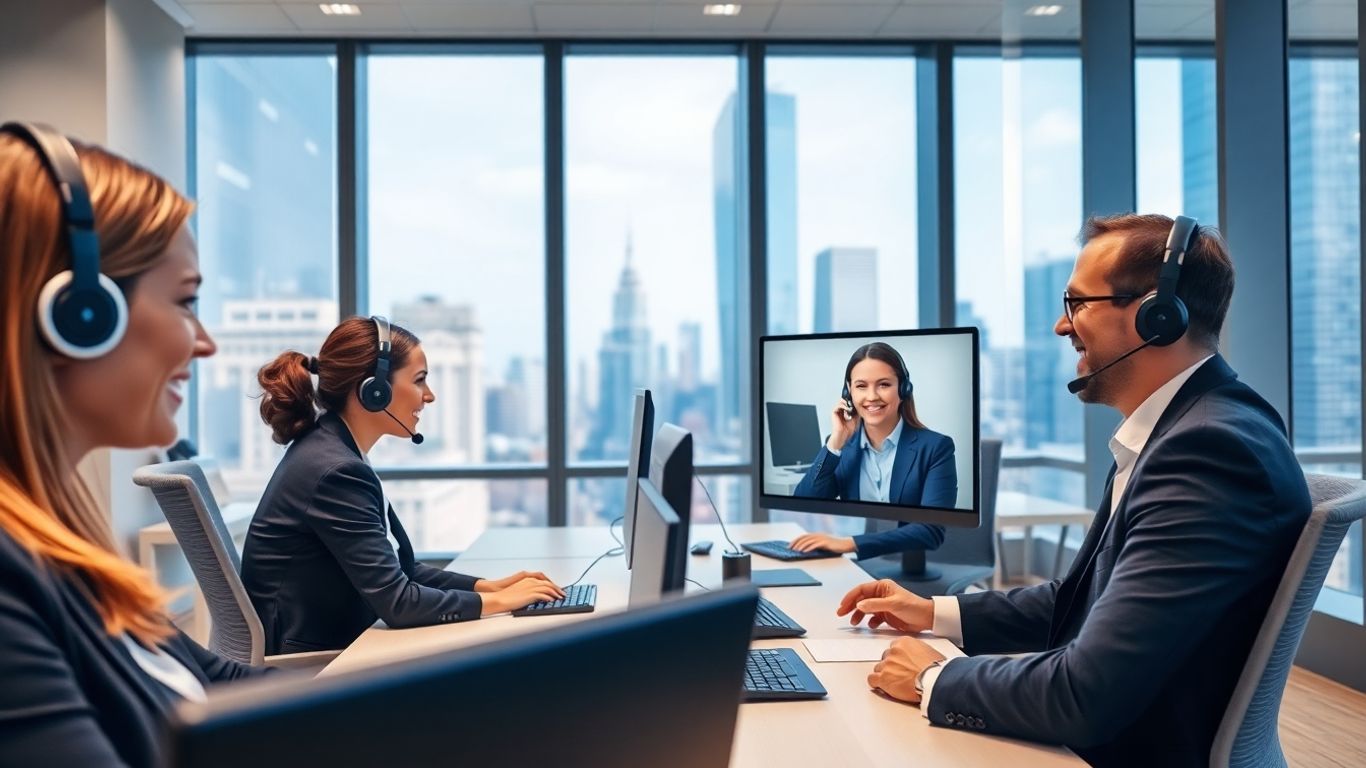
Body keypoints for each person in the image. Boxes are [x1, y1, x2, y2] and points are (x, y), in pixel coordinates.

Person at [838, 214, 1311, 767]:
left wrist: (932, 677)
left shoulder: (1206, 450)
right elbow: (1082, 598)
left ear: (1155, 316)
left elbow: (1086, 692)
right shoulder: (1184, 430)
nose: (1063, 327)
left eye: (1077, 304)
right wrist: (934, 612)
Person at [0, 122, 269, 765]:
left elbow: (215, 685)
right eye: (184, 301)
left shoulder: (58, 544)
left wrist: (445, 706)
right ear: (80, 315)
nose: (204, 343)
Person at [242, 315, 565, 655]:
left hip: (330, 640)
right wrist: (499, 602)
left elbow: (397, 572)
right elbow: (399, 604)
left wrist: (488, 588)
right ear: (374, 390)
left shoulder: (334, 449)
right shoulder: (335, 470)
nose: (429, 396)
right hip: (307, 662)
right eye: (419, 380)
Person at [789, 342, 954, 559]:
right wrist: (835, 443)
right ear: (848, 393)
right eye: (861, 386)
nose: (872, 396)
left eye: (884, 384)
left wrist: (849, 543)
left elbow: (931, 531)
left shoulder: (935, 448)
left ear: (904, 389)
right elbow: (804, 501)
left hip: (919, 564)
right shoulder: (842, 446)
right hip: (862, 563)